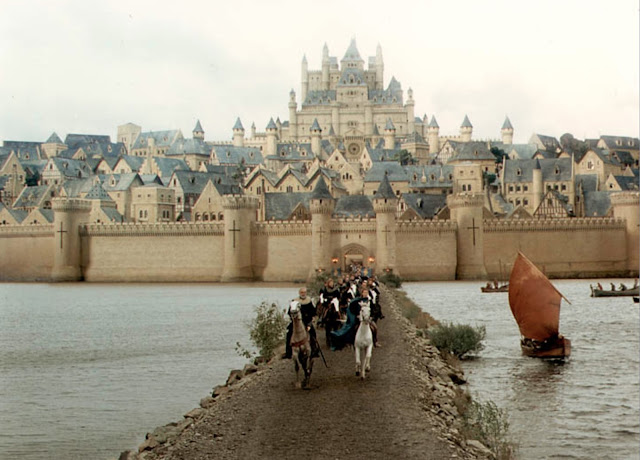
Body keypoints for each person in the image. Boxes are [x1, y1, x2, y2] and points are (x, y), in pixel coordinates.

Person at [330, 284, 378, 351]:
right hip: (359, 318)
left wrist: (371, 316)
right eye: (364, 292)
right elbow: (352, 309)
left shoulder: (369, 301)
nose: (365, 294)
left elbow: (373, 309)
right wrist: (356, 315)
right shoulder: (357, 301)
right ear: (362, 293)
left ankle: (375, 341)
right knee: (353, 327)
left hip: (367, 318)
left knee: (374, 327)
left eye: (366, 292)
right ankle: (352, 341)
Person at [283, 287, 319, 359]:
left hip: (307, 321)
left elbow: (313, 311)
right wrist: (293, 318)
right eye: (302, 292)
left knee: (312, 333)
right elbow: (290, 312)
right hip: (296, 321)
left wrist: (310, 319)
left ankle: (314, 350)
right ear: (299, 293)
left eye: (304, 292)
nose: (303, 294)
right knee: (289, 333)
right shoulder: (295, 302)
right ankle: (288, 352)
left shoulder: (309, 301)